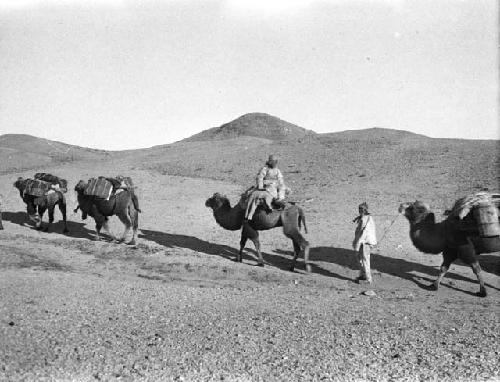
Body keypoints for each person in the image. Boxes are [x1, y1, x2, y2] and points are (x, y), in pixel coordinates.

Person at [244, 155, 286, 221]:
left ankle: (280, 199)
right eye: (273, 162)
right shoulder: (265, 169)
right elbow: (260, 178)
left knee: (282, 188)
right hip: (267, 186)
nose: (274, 163)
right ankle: (250, 214)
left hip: (274, 186)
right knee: (256, 197)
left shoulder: (277, 170)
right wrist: (261, 186)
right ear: (270, 162)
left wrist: (280, 184)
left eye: (275, 162)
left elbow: (280, 179)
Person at [352, 202, 377, 284]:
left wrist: (357, 244)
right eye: (359, 209)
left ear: (365, 210)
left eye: (361, 209)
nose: (360, 211)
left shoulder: (365, 219)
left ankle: (368, 279)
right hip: (363, 241)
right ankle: (363, 275)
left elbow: (364, 232)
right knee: (359, 258)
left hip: (366, 242)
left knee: (365, 260)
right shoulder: (364, 218)